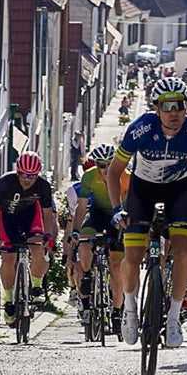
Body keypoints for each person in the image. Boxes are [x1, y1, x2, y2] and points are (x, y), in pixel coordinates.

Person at [109, 78, 187, 348]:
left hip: (179, 191)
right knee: (132, 255)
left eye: (180, 105)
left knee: (182, 253)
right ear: (156, 108)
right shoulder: (140, 128)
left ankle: (174, 318)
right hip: (143, 191)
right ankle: (130, 309)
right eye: (167, 106)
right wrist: (118, 209)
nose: (174, 112)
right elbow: (114, 172)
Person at [0, 152, 57, 326]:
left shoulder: (43, 186)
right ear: (18, 171)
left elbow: (48, 215)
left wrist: (48, 235)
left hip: (30, 217)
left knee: (38, 249)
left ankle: (37, 286)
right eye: (25, 175)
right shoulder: (4, 183)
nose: (28, 180)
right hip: (8, 219)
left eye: (32, 176)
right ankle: (9, 300)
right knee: (8, 258)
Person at [74, 143, 127, 334]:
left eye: (109, 164)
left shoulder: (126, 177)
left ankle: (117, 312)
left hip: (117, 218)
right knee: (85, 243)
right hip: (96, 215)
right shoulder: (89, 176)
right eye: (101, 165)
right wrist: (74, 230)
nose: (105, 169)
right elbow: (81, 207)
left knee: (116, 267)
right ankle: (87, 275)